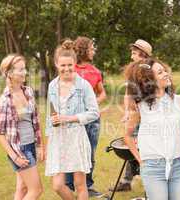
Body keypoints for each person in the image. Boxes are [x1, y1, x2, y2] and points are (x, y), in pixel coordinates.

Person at [124, 57, 180, 200]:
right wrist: (141, 161)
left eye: (164, 71)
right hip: (153, 168)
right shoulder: (140, 107)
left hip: (178, 166)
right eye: (160, 72)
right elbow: (127, 135)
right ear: (149, 80)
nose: (166, 74)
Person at [45, 39, 99, 200]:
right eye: (63, 65)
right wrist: (48, 144)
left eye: (70, 65)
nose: (66, 69)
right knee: (57, 185)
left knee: (79, 184)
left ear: (75, 63)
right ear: (56, 64)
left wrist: (70, 118)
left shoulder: (83, 85)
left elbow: (94, 112)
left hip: (76, 137)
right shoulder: (52, 86)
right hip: (58, 139)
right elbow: (50, 117)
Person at [0, 54, 44, 200]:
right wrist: (15, 157)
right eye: (20, 70)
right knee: (36, 190)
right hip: (19, 150)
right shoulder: (4, 101)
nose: (25, 72)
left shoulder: (27, 91)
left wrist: (40, 146)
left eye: (25, 69)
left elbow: (35, 120)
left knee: (22, 189)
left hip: (31, 145)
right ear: (9, 73)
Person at [64, 36, 106, 197]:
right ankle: (69, 185)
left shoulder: (95, 71)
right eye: (91, 48)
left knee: (90, 154)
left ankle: (88, 185)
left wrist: (93, 103)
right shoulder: (69, 68)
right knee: (70, 152)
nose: (94, 51)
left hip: (92, 120)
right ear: (83, 50)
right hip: (73, 120)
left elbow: (102, 93)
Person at [114, 39, 152, 192]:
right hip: (135, 118)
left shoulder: (149, 74)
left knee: (144, 149)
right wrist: (126, 113)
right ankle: (126, 181)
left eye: (134, 54)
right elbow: (128, 94)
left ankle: (150, 183)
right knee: (132, 146)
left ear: (143, 56)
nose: (132, 57)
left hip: (147, 119)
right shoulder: (132, 72)